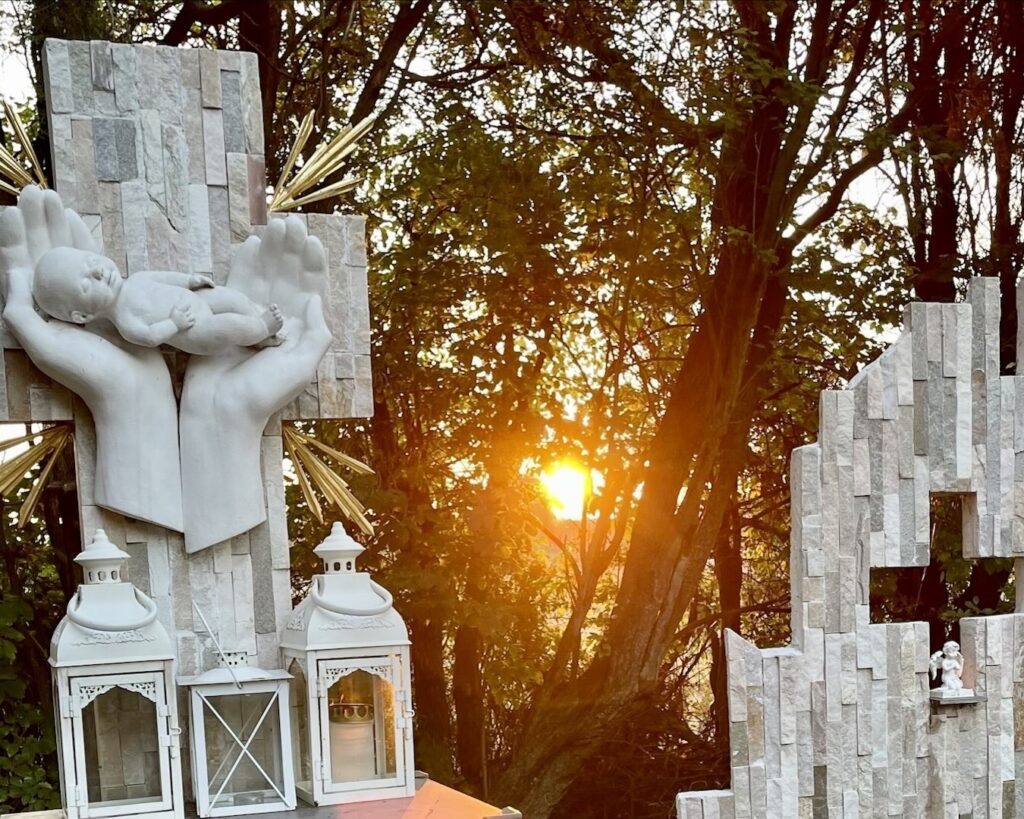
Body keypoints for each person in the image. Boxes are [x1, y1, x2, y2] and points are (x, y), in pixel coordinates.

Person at [32, 246, 283, 355]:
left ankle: (258, 337)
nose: (98, 272)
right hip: (194, 331)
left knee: (232, 299)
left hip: (195, 300)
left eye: (91, 261)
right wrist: (174, 324)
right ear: (83, 316)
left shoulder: (138, 278)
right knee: (229, 327)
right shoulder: (125, 321)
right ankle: (261, 328)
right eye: (87, 284)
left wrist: (188, 280)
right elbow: (151, 337)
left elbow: (164, 278)